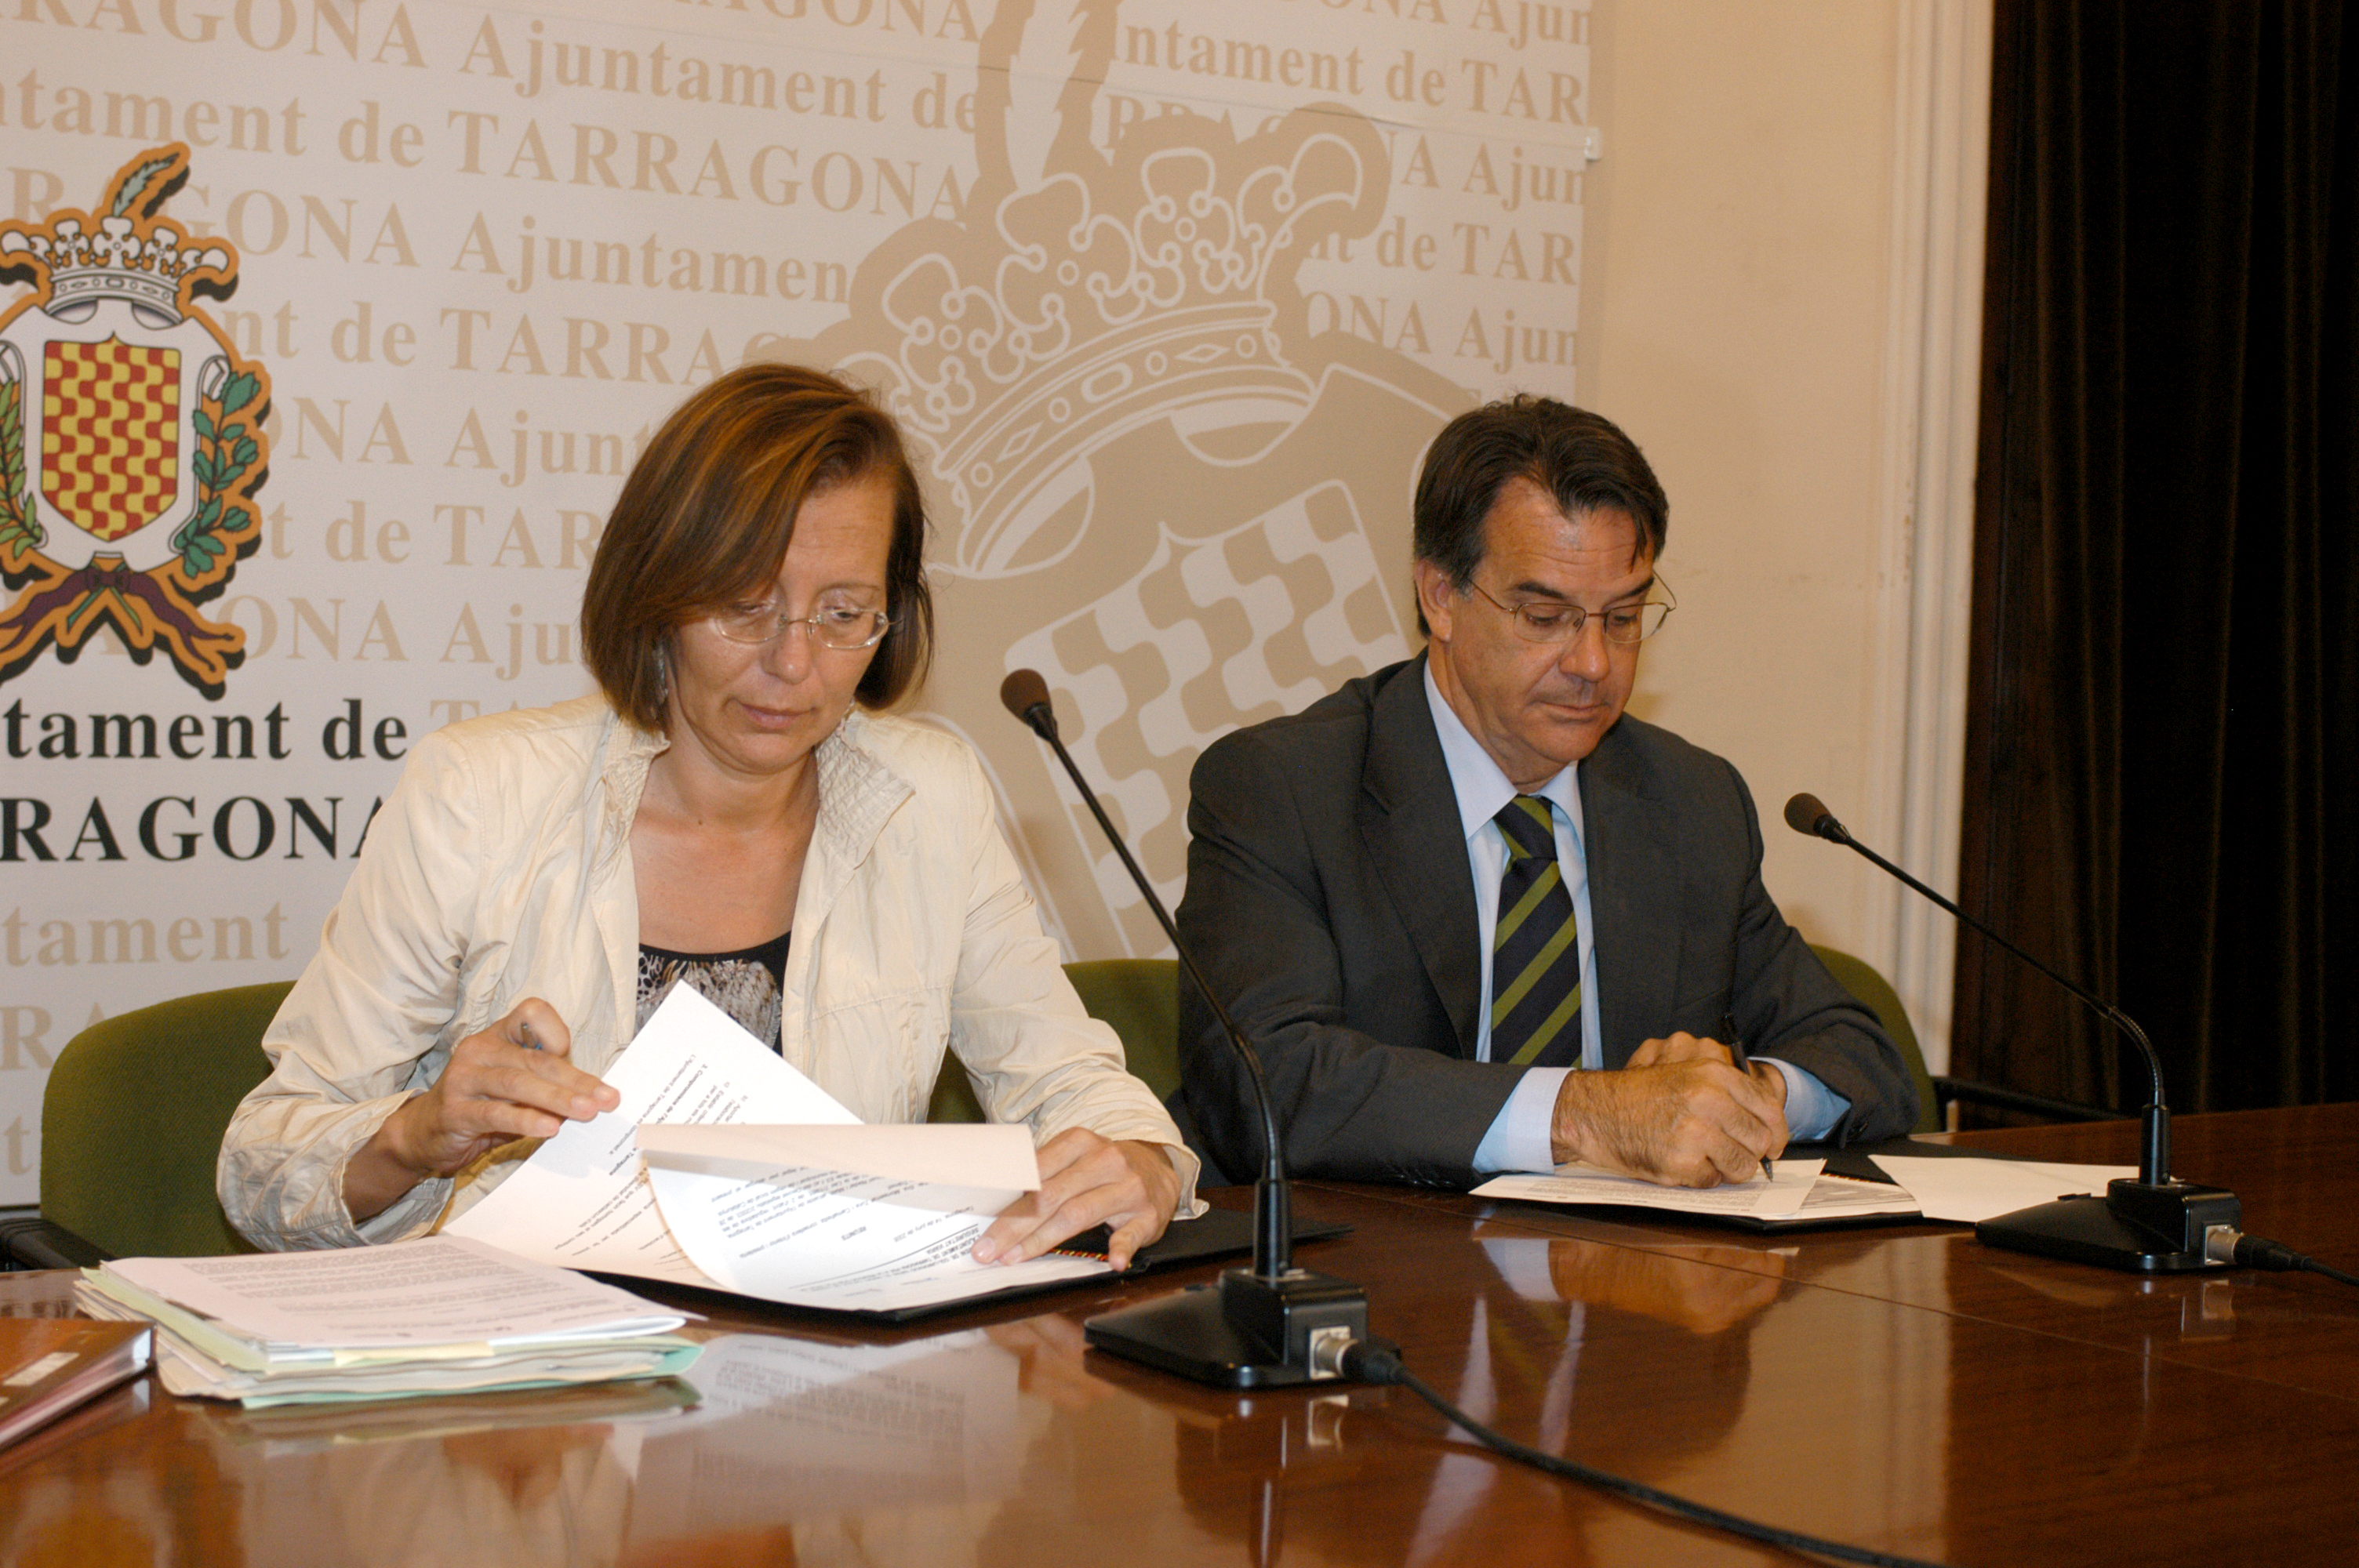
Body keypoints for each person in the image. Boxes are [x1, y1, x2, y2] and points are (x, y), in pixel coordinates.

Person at [220, 365, 1195, 1265]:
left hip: (828, 1365)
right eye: (743, 604)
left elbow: (1062, 1077)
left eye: (842, 612)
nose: (792, 661)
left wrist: (1143, 1160)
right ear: (658, 592)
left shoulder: (930, 796)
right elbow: (261, 1166)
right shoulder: (479, 795)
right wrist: (416, 1135)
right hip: (536, 1374)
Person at [1175, 396, 1914, 1189]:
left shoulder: (1690, 802)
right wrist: (1586, 1113)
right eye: (1544, 616)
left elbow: (1861, 1055)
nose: (1593, 662)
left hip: (1631, 1261)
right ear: (1439, 596)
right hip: (1387, 1253)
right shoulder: (1285, 788)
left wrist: (1743, 1095)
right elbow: (1265, 1083)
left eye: (1622, 617)